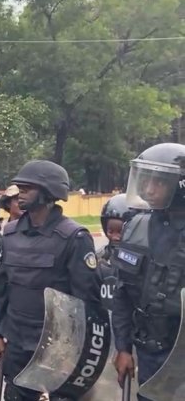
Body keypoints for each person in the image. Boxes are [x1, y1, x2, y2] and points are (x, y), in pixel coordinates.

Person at [0, 160, 101, 401]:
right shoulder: (9, 234)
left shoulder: (74, 237)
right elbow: (2, 290)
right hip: (17, 344)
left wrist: (78, 353)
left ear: (49, 193)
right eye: (19, 187)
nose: (20, 193)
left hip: (57, 348)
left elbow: (87, 301)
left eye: (27, 188)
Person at [112, 143, 185, 400]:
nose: (149, 189)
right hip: (149, 353)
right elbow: (122, 294)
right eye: (146, 180)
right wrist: (122, 347)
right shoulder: (135, 227)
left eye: (160, 182)